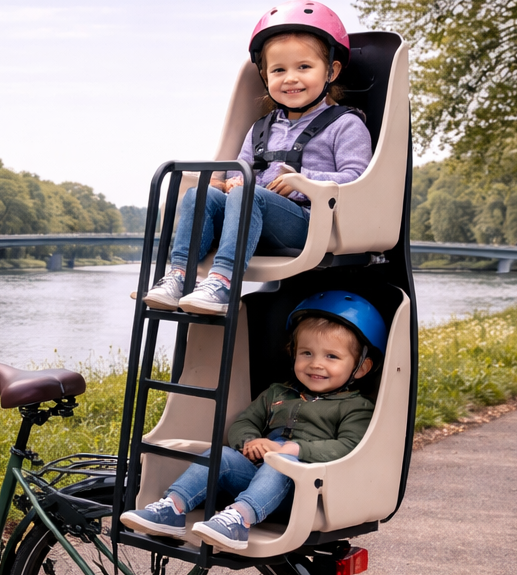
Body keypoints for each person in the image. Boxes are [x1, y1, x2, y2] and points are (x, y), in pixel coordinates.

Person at [142, 1, 372, 316]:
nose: (290, 78)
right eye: (279, 70)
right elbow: (242, 172)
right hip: (252, 216)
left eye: (303, 67)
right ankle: (179, 276)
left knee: (250, 196)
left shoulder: (346, 125)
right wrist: (229, 183)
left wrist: (304, 183)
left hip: (310, 222)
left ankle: (222, 282)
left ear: (331, 71)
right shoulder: (261, 128)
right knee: (201, 195)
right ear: (265, 76)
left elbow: (358, 181)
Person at [120, 291, 385, 550]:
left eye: (331, 356)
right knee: (219, 454)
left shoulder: (356, 407)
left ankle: (238, 520)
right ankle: (172, 508)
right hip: (255, 475)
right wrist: (249, 442)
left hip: (302, 494)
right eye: (306, 353)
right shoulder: (277, 393)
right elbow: (243, 423)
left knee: (282, 464)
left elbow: (349, 448)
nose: (316, 364)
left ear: (361, 367)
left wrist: (293, 450)